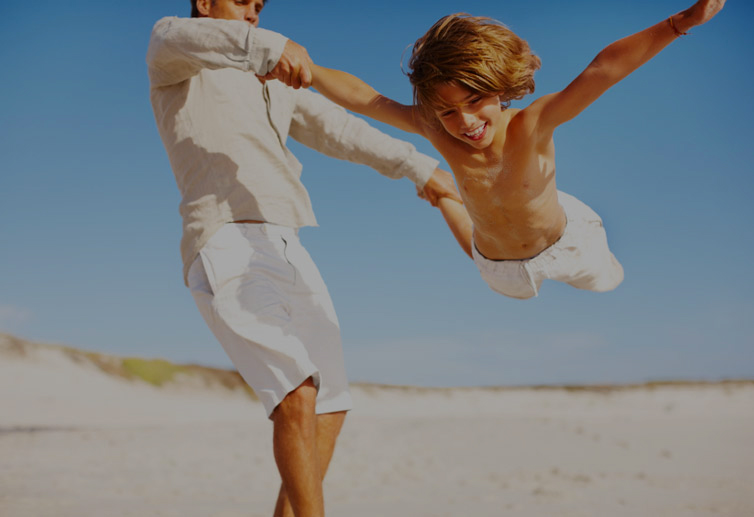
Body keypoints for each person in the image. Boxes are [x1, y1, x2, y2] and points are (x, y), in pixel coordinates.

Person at [146, 0, 460, 515]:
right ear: (205, 2)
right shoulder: (176, 51)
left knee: (331, 405)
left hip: (289, 243)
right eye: (242, 1)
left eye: (260, 6)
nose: (253, 11)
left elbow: (341, 129)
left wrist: (420, 169)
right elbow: (180, 38)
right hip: (225, 239)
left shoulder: (268, 80)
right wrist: (274, 45)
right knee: (296, 393)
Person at [295, 0, 725, 299]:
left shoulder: (532, 125)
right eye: (447, 111)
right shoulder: (434, 128)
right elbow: (363, 98)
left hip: (565, 243)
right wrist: (304, 68)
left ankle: (445, 191)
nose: (464, 122)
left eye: (474, 102)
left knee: (606, 280)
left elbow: (602, 70)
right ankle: (442, 192)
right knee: (480, 250)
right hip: (499, 262)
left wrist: (682, 21)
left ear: (501, 91)